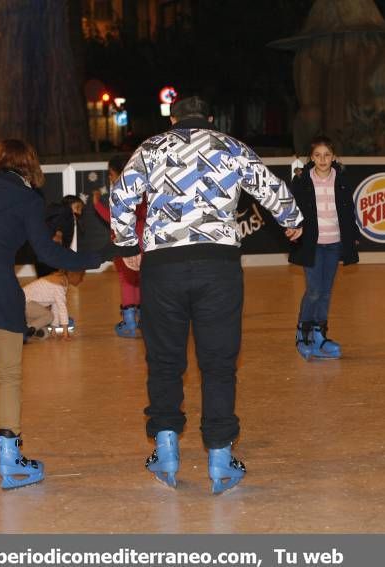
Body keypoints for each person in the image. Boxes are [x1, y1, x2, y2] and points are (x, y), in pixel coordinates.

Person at [0, 139, 136, 491]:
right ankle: (11, 462)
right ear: (30, 166)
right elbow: (50, 253)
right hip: (0, 292)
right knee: (9, 377)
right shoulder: (29, 200)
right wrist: (105, 253)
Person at [111, 95, 303, 493]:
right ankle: (219, 456)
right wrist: (293, 220)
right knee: (218, 363)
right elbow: (271, 188)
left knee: (164, 361)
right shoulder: (232, 146)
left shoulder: (150, 148)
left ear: (173, 118)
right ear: (211, 119)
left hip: (163, 267)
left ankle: (165, 450)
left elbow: (121, 196)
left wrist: (129, 246)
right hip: (218, 266)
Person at [288, 136, 359, 360]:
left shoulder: (343, 179)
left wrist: (352, 236)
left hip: (334, 243)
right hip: (313, 244)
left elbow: (349, 211)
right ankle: (303, 332)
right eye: (317, 155)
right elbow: (292, 209)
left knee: (326, 292)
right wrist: (292, 228)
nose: (323, 159)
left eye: (327, 155)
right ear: (311, 158)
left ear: (334, 157)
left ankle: (320, 334)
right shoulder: (302, 181)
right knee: (314, 290)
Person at [93, 155, 146, 338]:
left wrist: (96, 204)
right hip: (143, 242)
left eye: (110, 174)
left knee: (125, 280)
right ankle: (141, 319)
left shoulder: (119, 192)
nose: (110, 178)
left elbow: (112, 218)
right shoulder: (143, 189)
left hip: (123, 241)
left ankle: (130, 323)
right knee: (140, 280)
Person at [23, 269, 85, 340]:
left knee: (45, 333)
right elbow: (62, 309)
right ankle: (26, 331)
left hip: (26, 307)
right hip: (24, 303)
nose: (82, 280)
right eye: (81, 277)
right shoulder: (59, 285)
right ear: (73, 275)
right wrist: (65, 333)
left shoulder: (60, 281)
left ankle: (28, 328)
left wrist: (53, 329)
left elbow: (56, 308)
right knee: (49, 316)